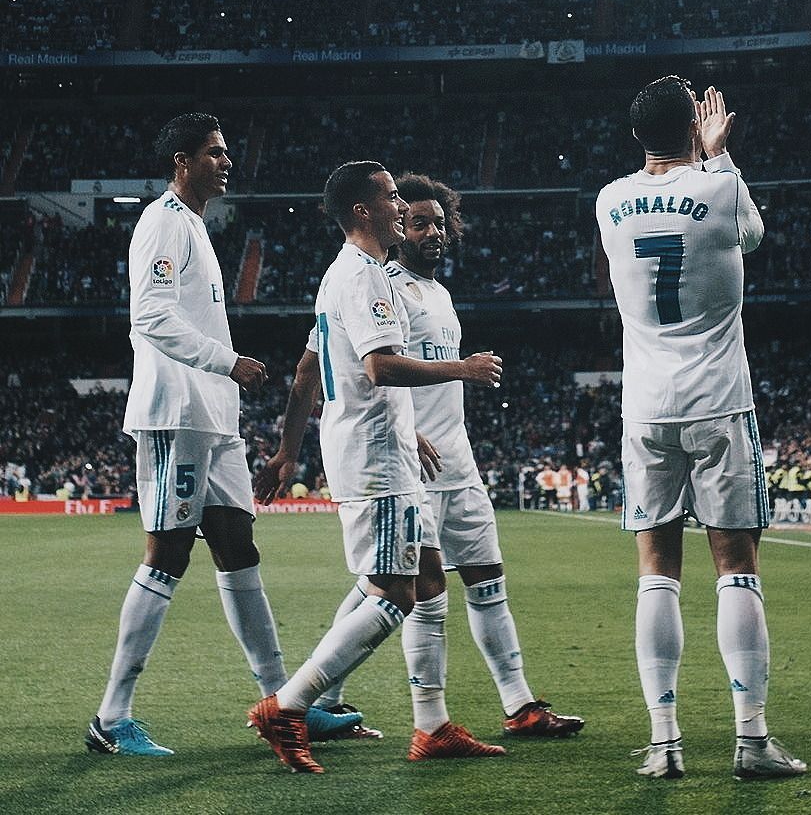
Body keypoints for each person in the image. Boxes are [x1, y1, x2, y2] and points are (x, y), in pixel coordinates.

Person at [256, 172, 583, 741]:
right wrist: (290, 449)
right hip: (406, 461)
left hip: (454, 457)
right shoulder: (379, 284)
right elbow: (324, 367)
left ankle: (519, 705)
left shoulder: (437, 293)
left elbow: (319, 367)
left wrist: (288, 451)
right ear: (395, 227)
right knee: (408, 589)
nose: (433, 232)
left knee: (480, 578)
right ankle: (338, 705)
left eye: (439, 222)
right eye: (417, 221)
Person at [86, 113, 359, 757]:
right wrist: (225, 361)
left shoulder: (196, 227)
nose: (226, 162)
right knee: (168, 553)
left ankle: (284, 703)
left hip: (213, 418)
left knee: (238, 544)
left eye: (227, 152)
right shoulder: (161, 221)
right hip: (175, 413)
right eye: (214, 152)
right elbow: (149, 316)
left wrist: (225, 383)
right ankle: (112, 716)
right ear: (182, 160)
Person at [595, 78, 806, 782]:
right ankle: (750, 741)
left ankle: (665, 743)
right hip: (719, 401)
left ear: (634, 137)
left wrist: (693, 152)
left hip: (646, 408)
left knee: (656, 574)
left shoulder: (609, 200)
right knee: (736, 570)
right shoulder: (721, 189)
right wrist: (717, 157)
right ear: (696, 125)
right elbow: (751, 234)